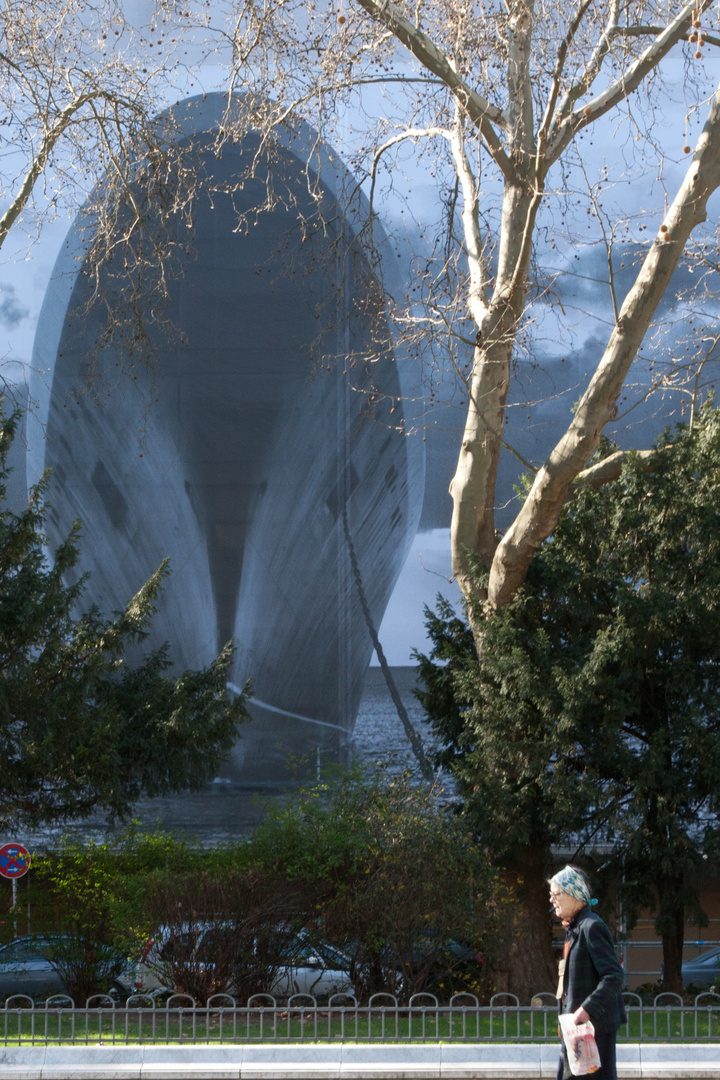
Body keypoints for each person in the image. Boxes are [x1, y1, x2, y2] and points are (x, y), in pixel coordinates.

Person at [549, 865, 627, 1080]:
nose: (551, 900)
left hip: (594, 1028)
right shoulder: (575, 928)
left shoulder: (590, 927)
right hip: (577, 1028)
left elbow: (613, 975)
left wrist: (586, 1009)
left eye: (555, 894)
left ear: (574, 896)